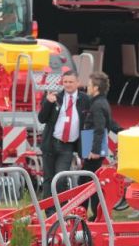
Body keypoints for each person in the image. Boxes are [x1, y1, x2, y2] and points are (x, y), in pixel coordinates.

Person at [38, 71, 90, 201]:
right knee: (49, 178)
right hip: (51, 143)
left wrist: (88, 148)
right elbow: (41, 119)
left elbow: (90, 123)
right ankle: (50, 211)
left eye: (71, 82)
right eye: (65, 82)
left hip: (67, 146)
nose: (67, 85)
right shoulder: (55, 97)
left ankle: (61, 208)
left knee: (61, 178)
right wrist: (48, 103)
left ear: (77, 83)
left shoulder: (85, 99)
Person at [80, 71, 112, 219]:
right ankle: (91, 213)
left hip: (93, 147)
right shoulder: (101, 102)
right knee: (89, 181)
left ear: (96, 88)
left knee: (88, 183)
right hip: (92, 144)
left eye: (90, 85)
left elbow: (100, 128)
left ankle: (89, 214)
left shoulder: (97, 105)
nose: (87, 87)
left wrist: (95, 150)